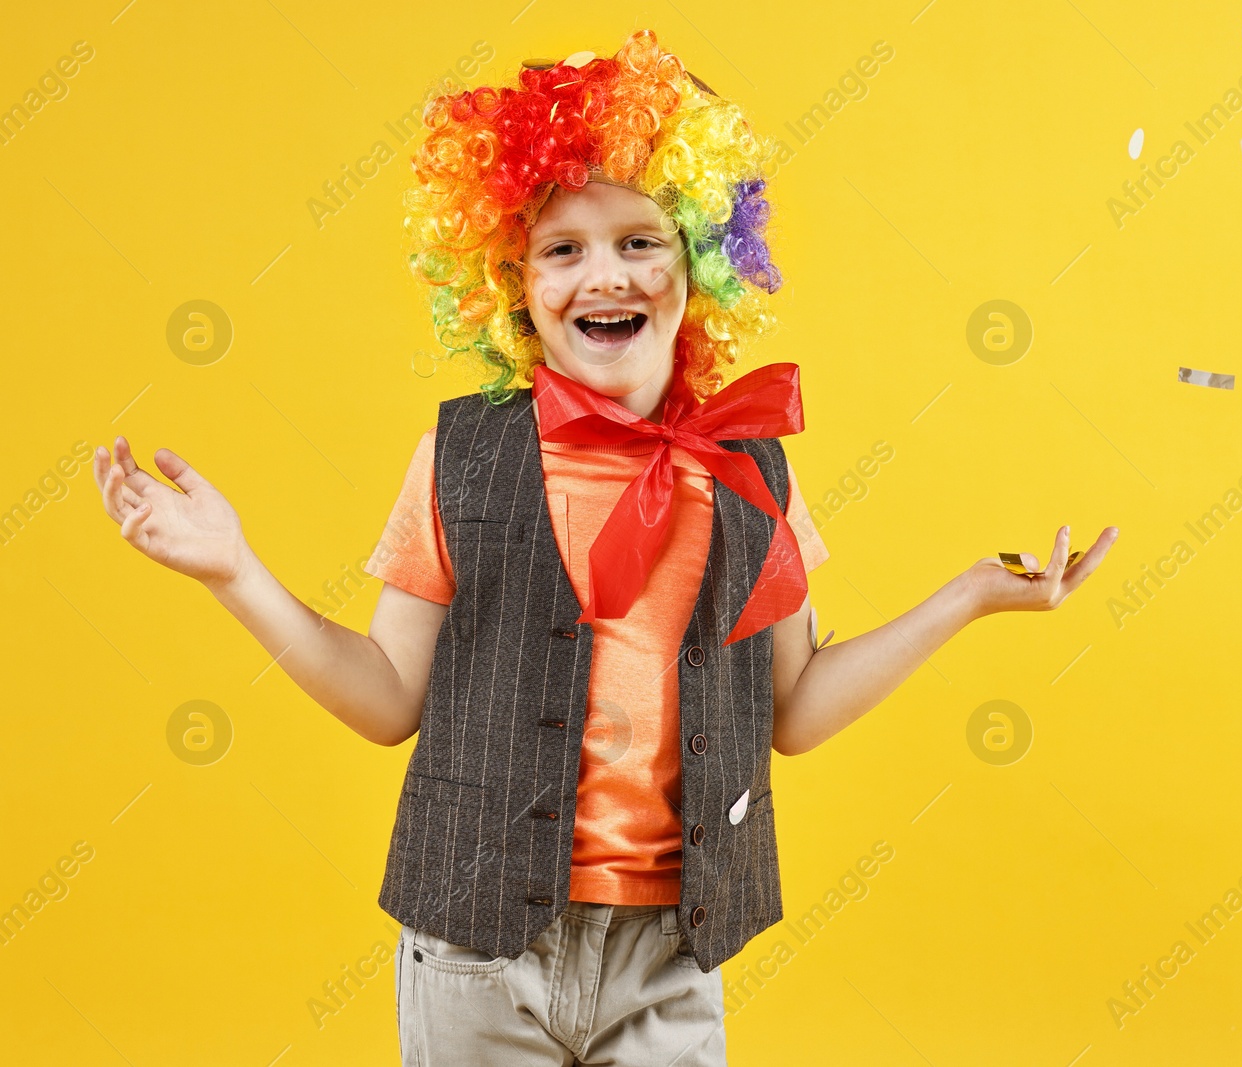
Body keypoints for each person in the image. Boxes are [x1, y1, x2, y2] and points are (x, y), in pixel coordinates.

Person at [90, 28, 1118, 1066]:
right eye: (562, 248)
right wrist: (235, 570)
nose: (602, 276)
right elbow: (385, 697)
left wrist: (970, 596)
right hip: (476, 945)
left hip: (672, 950)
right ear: (513, 280)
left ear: (702, 258)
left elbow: (794, 710)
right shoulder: (464, 454)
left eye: (640, 240)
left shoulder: (750, 468)